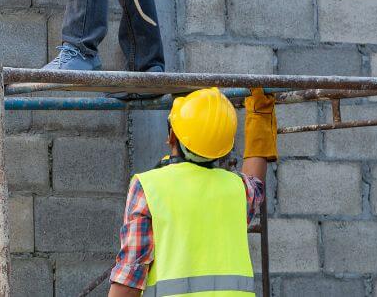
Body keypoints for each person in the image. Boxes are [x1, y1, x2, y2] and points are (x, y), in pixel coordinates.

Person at [108, 88, 278, 296]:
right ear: (224, 148)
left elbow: (130, 276)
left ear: (172, 135)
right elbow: (256, 182)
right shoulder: (238, 190)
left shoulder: (148, 187)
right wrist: (259, 118)